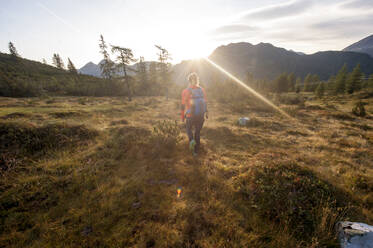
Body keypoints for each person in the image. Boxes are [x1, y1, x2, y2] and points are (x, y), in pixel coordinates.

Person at [180, 72, 208, 156]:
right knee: (197, 132)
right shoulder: (202, 90)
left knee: (188, 129)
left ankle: (191, 141)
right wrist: (206, 112)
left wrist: (182, 116)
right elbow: (205, 102)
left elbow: (182, 105)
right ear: (197, 80)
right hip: (200, 115)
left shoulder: (185, 91)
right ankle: (196, 151)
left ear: (189, 81)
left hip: (190, 115)